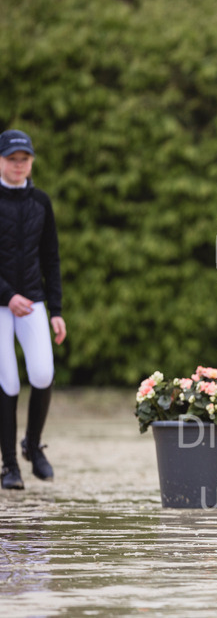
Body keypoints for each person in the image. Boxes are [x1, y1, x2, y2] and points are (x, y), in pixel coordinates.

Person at [0, 129, 67, 490]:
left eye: (23, 159)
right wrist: (7, 295)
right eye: (12, 159)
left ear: (31, 161)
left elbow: (51, 258)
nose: (18, 165)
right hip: (1, 304)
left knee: (42, 373)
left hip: (33, 303)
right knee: (7, 381)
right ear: (1, 161)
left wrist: (55, 309)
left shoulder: (41, 201)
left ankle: (32, 445)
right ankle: (9, 465)